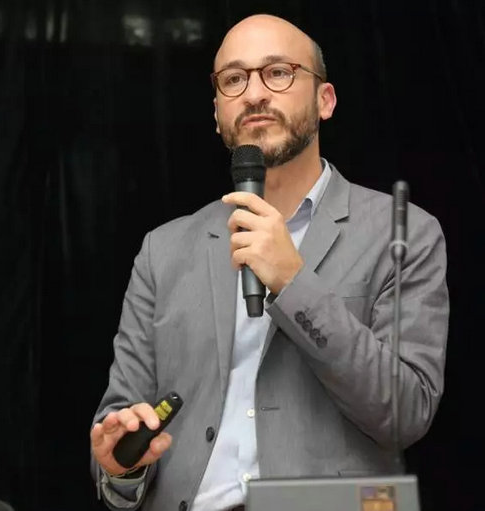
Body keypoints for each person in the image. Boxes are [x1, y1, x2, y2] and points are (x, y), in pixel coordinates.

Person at [90, 13, 449, 511]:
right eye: (234, 79)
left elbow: (406, 412)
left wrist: (293, 281)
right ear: (217, 113)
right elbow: (116, 444)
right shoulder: (163, 251)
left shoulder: (402, 233)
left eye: (278, 72)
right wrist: (121, 464)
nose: (255, 93)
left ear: (325, 100)